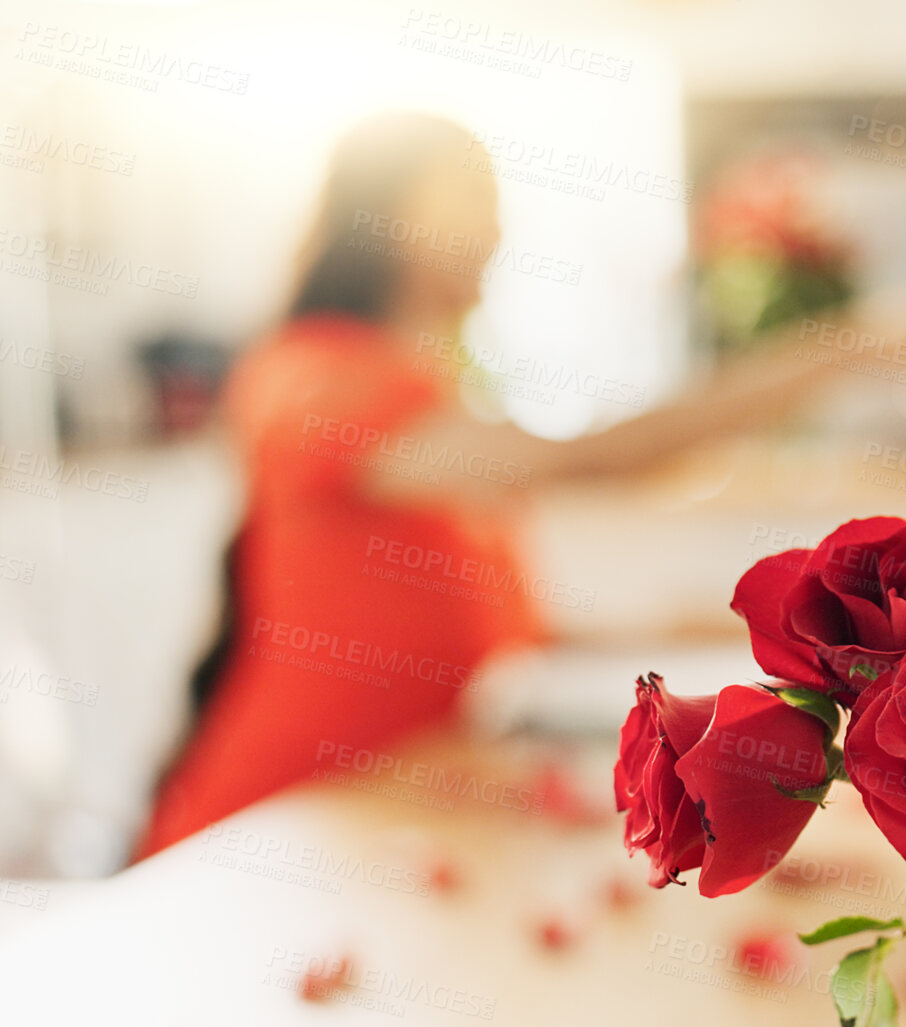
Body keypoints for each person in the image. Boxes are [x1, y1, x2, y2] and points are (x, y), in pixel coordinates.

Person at [137, 113, 847, 857]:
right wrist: (852, 349)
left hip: (375, 822)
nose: (497, 230)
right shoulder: (311, 378)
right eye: (472, 197)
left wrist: (757, 629)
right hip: (264, 833)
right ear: (386, 213)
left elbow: (494, 627)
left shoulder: (429, 406)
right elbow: (597, 457)